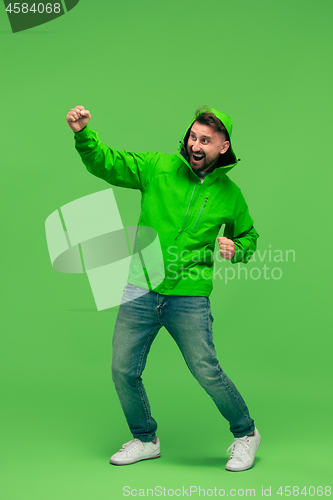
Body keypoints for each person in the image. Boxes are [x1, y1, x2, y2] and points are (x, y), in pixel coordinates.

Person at [66, 105, 261, 471]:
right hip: (141, 286)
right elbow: (108, 163)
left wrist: (237, 248)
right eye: (192, 136)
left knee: (206, 369)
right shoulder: (158, 167)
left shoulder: (229, 195)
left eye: (205, 139)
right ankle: (145, 439)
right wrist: (83, 134)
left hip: (189, 295)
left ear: (223, 146)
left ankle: (246, 433)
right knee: (123, 369)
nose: (195, 145)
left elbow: (249, 236)